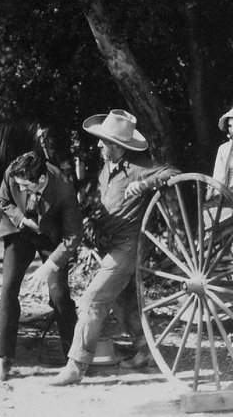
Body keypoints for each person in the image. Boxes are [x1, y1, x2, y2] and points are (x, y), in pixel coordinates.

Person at [50, 109, 178, 386]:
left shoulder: (139, 167)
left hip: (128, 246)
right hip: (109, 244)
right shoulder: (107, 168)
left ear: (118, 146)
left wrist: (144, 185)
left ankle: (76, 366)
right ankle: (145, 351)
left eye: (103, 142)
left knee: (93, 299)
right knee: (122, 300)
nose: (98, 145)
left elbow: (173, 172)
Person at [0, 150, 83, 382]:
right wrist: (20, 219)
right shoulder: (14, 172)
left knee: (59, 293)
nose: (21, 189)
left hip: (52, 237)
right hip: (20, 231)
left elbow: (73, 236)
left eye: (26, 187)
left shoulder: (63, 188)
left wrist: (49, 265)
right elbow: (3, 200)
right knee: (8, 287)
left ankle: (73, 357)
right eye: (18, 185)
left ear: (41, 180)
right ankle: (2, 360)